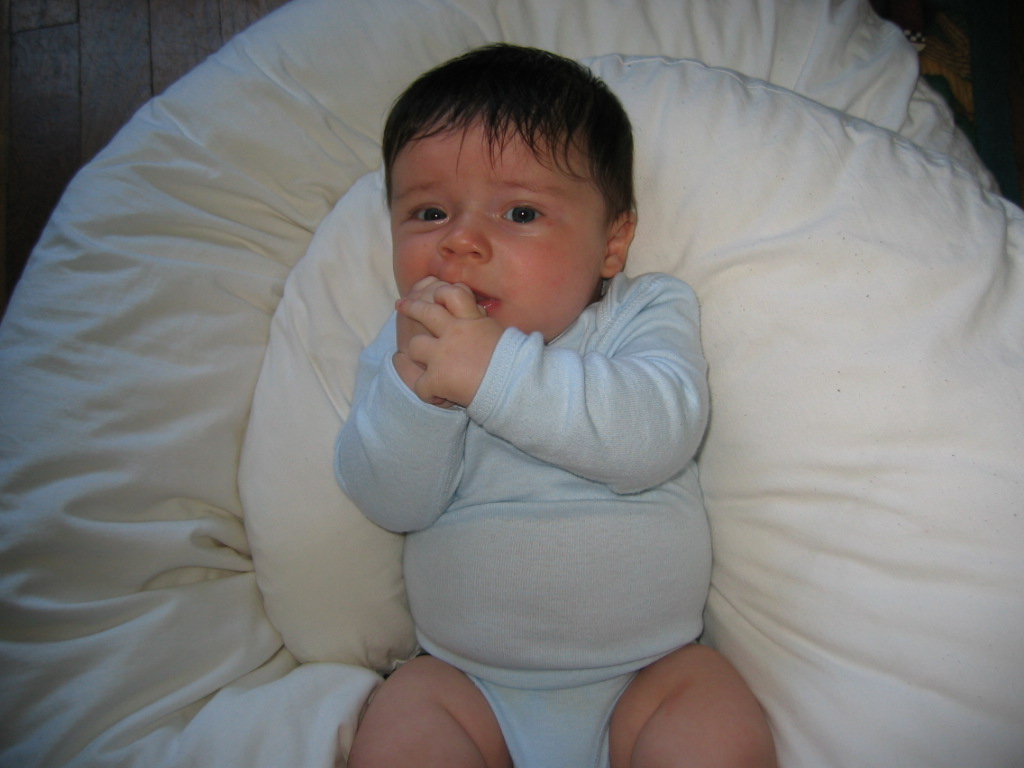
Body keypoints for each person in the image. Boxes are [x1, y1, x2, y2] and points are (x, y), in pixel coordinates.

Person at [335, 44, 776, 768]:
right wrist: (423, 396)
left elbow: (656, 439)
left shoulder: (640, 313)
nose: (460, 242)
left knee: (716, 727)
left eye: (520, 212)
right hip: (465, 685)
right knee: (403, 720)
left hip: (652, 673)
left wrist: (495, 374)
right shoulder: (405, 345)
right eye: (429, 212)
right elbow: (391, 502)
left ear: (612, 243)